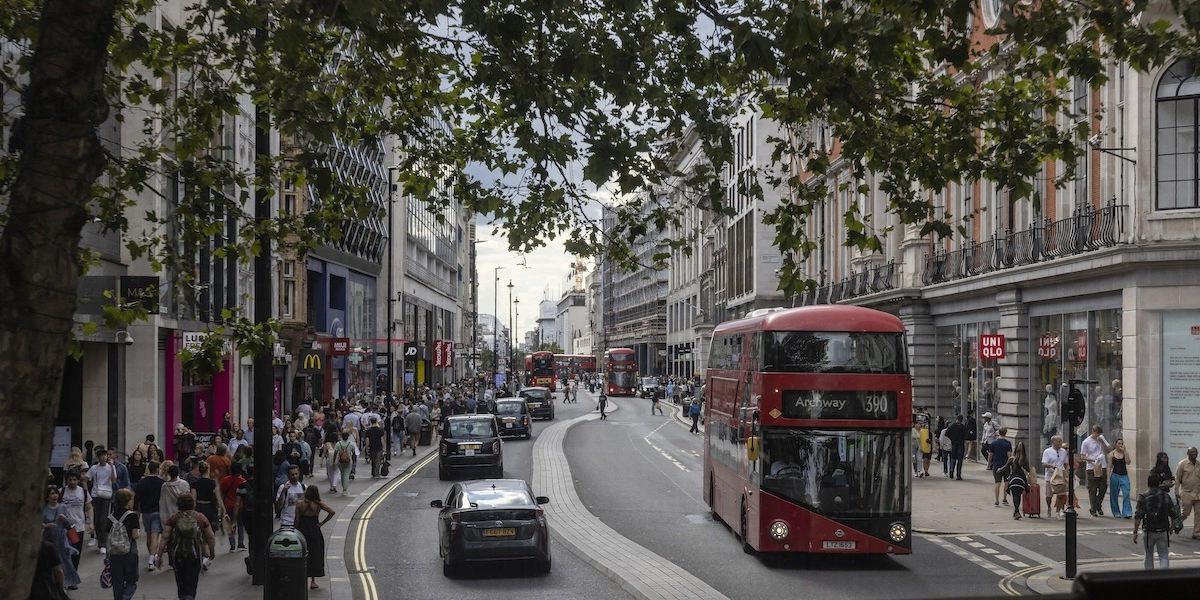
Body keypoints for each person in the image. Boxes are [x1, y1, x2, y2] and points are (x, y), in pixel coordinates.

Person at [158, 493, 215, 600]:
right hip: (194, 553)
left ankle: (183, 596)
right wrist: (211, 553)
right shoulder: (200, 518)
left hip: (177, 554)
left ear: (178, 504)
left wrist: (160, 555)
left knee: (181, 580)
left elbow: (165, 537)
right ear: (193, 504)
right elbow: (210, 537)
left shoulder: (173, 519)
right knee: (192, 580)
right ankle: (190, 596)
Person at [294, 486, 336, 590]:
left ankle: (302, 579)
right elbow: (332, 512)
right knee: (314, 554)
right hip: (314, 530)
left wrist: (295, 530)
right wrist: (322, 523)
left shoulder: (299, 504)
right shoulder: (318, 504)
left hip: (302, 530)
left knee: (302, 554)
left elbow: (297, 519)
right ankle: (313, 581)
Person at [41, 485, 81, 590]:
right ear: (47, 497)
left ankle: (69, 582)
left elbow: (69, 525)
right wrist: (46, 525)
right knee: (52, 563)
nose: (55, 496)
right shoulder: (44, 509)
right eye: (52, 494)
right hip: (49, 540)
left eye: (56, 493)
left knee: (66, 561)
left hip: (62, 540)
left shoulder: (63, 507)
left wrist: (65, 520)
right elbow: (39, 524)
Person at [1133, 473, 1176, 570]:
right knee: (1164, 555)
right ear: (1159, 484)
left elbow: (1138, 516)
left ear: (1148, 483)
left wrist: (1135, 532)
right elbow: (1173, 514)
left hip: (1148, 531)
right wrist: (1171, 528)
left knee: (1148, 556)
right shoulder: (1165, 496)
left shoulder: (1143, 496)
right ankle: (1163, 579)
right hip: (1163, 530)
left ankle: (1150, 579)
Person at [84, 446, 119, 555]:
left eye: (105, 455)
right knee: (96, 519)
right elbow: (85, 478)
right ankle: (98, 538)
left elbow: (113, 480)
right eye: (101, 455)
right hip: (95, 494)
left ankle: (102, 543)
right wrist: (86, 492)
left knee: (103, 519)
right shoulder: (94, 468)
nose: (103, 457)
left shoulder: (110, 467)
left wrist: (112, 466)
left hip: (106, 494)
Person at [108, 488, 141, 600]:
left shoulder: (110, 517)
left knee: (118, 582)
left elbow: (107, 535)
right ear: (129, 501)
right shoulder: (132, 516)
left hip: (114, 553)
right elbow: (135, 535)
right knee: (131, 581)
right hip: (129, 551)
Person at [133, 461, 164, 570]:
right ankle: (152, 558)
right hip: (157, 511)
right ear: (157, 469)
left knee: (149, 535)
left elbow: (137, 498)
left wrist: (136, 511)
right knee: (155, 535)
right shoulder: (161, 483)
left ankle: (152, 554)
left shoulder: (141, 483)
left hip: (145, 512)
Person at [59, 470, 92, 569]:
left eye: (74, 480)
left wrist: (91, 523)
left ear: (78, 480)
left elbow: (89, 508)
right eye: (70, 480)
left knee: (76, 554)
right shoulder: (61, 492)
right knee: (63, 553)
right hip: (64, 528)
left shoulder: (83, 492)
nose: (72, 482)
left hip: (77, 528)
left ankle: (73, 578)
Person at [1080, 424, 1112, 517]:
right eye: (1096, 434)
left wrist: (1102, 441)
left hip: (1102, 466)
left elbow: (1108, 450)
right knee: (1093, 489)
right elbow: (1082, 456)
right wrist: (1092, 460)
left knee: (1103, 487)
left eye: (1099, 434)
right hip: (1092, 467)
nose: (1098, 436)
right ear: (1093, 432)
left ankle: (1097, 504)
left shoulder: (1101, 438)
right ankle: (1093, 508)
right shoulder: (1086, 442)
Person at [220, 462, 247, 552]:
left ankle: (232, 544)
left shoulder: (225, 480)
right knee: (241, 524)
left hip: (228, 505)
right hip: (240, 505)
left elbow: (222, 492)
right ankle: (240, 543)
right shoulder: (242, 481)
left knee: (229, 523)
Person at [1175, 446, 1200, 539]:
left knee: (1198, 514)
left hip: (1198, 493)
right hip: (1187, 493)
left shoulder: (1199, 464)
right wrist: (1176, 491)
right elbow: (1177, 479)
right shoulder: (1182, 464)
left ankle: (1196, 532)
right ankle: (1177, 524)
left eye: (1196, 452)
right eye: (1192, 452)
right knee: (1185, 513)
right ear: (1188, 453)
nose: (1194, 454)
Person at [1002, 442, 1031, 520]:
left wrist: (999, 470)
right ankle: (1016, 511)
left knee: (1015, 495)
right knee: (1018, 495)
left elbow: (1005, 467)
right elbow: (1028, 470)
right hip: (1021, 480)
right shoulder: (1025, 460)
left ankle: (1016, 511)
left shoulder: (1012, 459)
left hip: (1013, 479)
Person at [1041, 436, 1069, 518]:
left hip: (1061, 475)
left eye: (1061, 441)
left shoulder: (1063, 451)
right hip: (1051, 475)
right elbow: (1044, 463)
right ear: (1054, 442)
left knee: (1061, 494)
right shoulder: (1047, 451)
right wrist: (1051, 465)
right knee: (1049, 495)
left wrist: (1067, 471)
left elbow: (1066, 463)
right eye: (1059, 441)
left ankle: (1058, 510)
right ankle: (1049, 507)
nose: (1061, 443)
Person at [1108, 438, 1133, 518]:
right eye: (1119, 443)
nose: (1120, 445)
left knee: (1126, 493)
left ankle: (1127, 512)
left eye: (1121, 443)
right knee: (1114, 494)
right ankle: (1116, 512)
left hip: (1124, 475)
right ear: (1115, 445)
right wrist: (1108, 478)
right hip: (1115, 475)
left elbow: (1128, 462)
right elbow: (1109, 466)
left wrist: (1125, 453)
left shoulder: (1125, 453)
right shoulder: (1112, 454)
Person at [988, 427, 1013, 507]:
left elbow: (990, 454)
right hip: (1006, 465)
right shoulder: (1008, 443)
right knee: (1006, 482)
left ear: (998, 432)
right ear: (1005, 433)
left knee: (997, 482)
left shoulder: (994, 443)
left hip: (996, 464)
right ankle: (1004, 499)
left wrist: (989, 463)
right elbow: (1009, 455)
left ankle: (996, 500)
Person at [945, 415, 967, 480]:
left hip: (954, 443)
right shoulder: (963, 427)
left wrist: (952, 438)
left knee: (953, 458)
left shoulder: (952, 426)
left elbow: (946, 433)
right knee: (960, 460)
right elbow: (966, 435)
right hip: (960, 444)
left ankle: (951, 470)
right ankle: (958, 474)